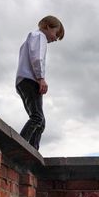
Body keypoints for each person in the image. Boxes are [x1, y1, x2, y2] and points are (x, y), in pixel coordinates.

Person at [15, 15, 65, 150]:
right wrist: (41, 78)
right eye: (55, 34)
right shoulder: (39, 36)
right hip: (30, 80)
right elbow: (37, 58)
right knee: (37, 118)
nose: (55, 39)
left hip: (23, 81)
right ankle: (20, 147)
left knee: (40, 121)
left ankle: (33, 150)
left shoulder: (30, 38)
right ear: (48, 27)